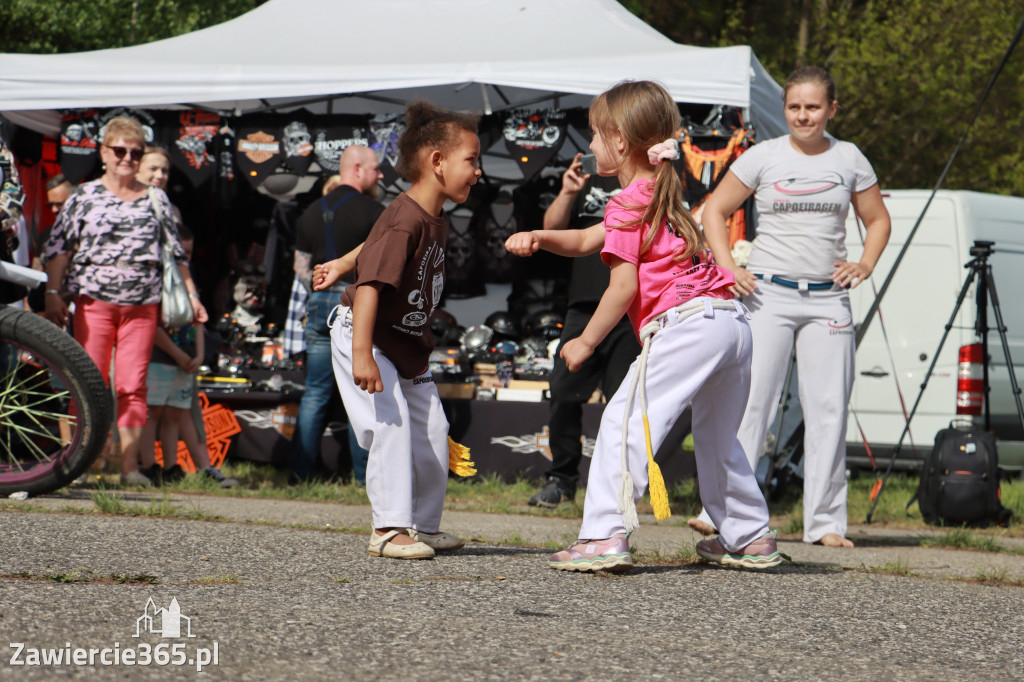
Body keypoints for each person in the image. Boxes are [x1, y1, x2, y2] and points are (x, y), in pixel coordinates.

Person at [505, 80, 780, 573]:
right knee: (719, 438)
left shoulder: (628, 201)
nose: (588, 147)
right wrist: (541, 237)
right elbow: (590, 238)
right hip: (730, 324)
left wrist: (584, 342)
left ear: (619, 140)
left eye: (593, 135)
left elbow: (623, 288)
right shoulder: (658, 195)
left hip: (688, 326)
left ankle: (604, 535)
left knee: (623, 423)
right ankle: (749, 536)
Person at [690, 66, 891, 548]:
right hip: (767, 294)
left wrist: (864, 263)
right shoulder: (763, 155)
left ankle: (824, 524)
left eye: (813, 107)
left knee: (828, 410)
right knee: (750, 401)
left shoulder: (850, 158)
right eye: (795, 107)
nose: (803, 116)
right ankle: (720, 511)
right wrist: (727, 267)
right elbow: (714, 211)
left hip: (828, 298)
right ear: (784, 110)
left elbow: (877, 219)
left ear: (832, 109)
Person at [313, 101, 480, 560]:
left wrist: (343, 260)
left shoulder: (429, 214)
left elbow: (375, 245)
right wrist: (363, 354)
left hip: (402, 343)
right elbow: (369, 286)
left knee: (433, 429)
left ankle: (423, 526)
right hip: (365, 335)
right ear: (438, 162)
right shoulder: (407, 215)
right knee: (391, 421)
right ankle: (387, 529)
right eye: (472, 160)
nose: (478, 171)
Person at [43, 116, 209, 487]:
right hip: (93, 302)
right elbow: (57, 249)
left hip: (142, 305)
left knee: (133, 386)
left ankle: (130, 468)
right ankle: (82, 463)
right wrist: (53, 294)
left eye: (135, 153)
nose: (128, 159)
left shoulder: (156, 198)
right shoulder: (84, 196)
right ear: (104, 152)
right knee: (87, 381)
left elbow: (176, 256)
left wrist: (194, 298)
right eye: (120, 151)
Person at [528, 153, 640, 507]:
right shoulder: (588, 178)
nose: (593, 146)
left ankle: (620, 490)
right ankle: (561, 480)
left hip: (629, 310)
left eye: (599, 136)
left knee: (623, 403)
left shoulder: (652, 178)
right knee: (562, 389)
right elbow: (559, 231)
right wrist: (567, 192)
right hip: (584, 305)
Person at [290, 146, 383, 483]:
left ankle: (299, 476)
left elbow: (301, 267)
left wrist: (319, 288)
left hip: (316, 305)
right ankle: (364, 479)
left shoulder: (311, 211)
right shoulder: (375, 211)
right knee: (360, 393)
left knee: (315, 392)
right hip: (354, 305)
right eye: (376, 169)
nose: (381, 175)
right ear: (357, 168)